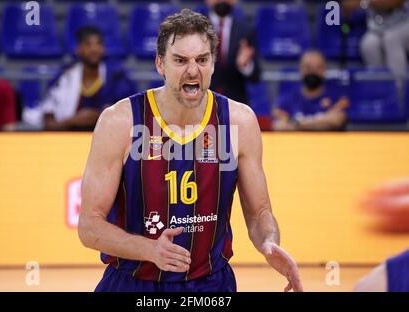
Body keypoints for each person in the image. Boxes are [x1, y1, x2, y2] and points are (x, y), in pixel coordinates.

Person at [78, 9, 303, 292]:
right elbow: (89, 226)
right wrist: (149, 250)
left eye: (202, 59)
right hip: (133, 283)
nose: (193, 70)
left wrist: (269, 243)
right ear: (160, 64)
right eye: (180, 60)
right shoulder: (121, 122)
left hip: (210, 286)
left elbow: (259, 214)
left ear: (212, 64)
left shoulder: (239, 122)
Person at [40, 26, 136, 131]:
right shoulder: (64, 78)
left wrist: (100, 116)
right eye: (88, 44)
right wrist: (73, 121)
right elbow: (48, 123)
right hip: (68, 140)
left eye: (98, 44)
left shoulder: (117, 77)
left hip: (108, 140)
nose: (94, 49)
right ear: (78, 49)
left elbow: (131, 116)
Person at [273, 50, 349, 131]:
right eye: (308, 67)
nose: (312, 72)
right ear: (300, 70)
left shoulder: (337, 96)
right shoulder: (287, 98)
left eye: (317, 68)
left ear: (324, 70)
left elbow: (337, 121)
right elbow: (279, 125)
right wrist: (323, 120)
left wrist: (298, 123)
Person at [203, 0, 260, 104]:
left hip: (236, 102)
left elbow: (256, 76)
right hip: (201, 101)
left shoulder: (247, 29)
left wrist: (245, 65)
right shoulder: (196, 28)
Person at [360, 0, 409, 82]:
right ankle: (379, 87)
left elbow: (394, 3)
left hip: (404, 24)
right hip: (378, 27)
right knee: (368, 44)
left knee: (391, 39)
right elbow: (349, 5)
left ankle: (400, 88)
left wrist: (367, 2)